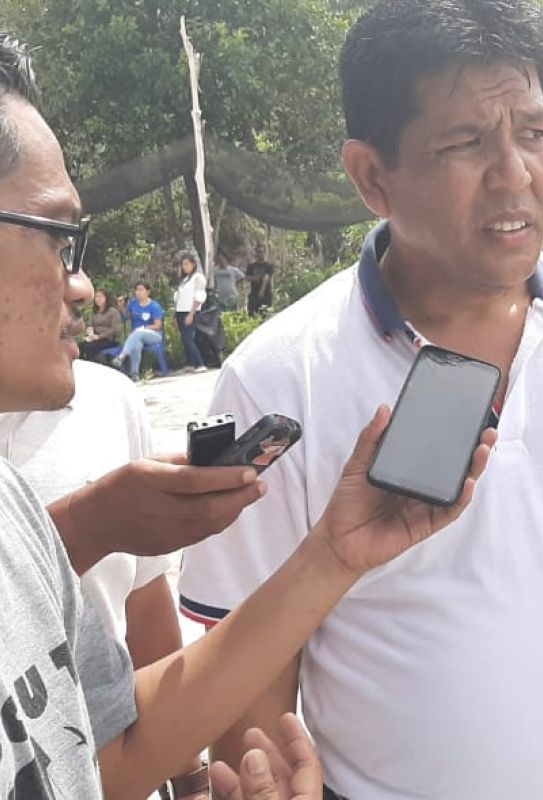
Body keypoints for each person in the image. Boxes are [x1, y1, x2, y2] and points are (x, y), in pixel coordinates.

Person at [179, 2, 543, 799]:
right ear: (372, 177)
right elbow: (249, 663)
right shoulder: (279, 378)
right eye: (466, 143)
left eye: (534, 132)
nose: (515, 172)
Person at [0, 29, 493, 798]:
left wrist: (334, 553)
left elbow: (109, 759)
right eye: (62, 239)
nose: (84, 288)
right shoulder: (277, 363)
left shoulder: (14, 509)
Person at [0, 357, 209, 799]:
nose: (80, 290)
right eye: (56, 280)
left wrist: (190, 779)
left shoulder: (107, 398)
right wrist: (84, 526)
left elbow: (146, 604)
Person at [113, 280, 165, 378]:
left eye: (141, 290)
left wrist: (143, 328)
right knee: (136, 344)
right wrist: (121, 307)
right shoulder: (133, 303)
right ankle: (135, 374)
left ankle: (121, 356)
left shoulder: (154, 306)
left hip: (154, 334)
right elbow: (125, 317)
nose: (138, 292)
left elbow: (157, 325)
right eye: (136, 290)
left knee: (138, 332)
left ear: (148, 292)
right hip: (137, 336)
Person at [175, 251, 208, 373]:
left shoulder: (198, 277)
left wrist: (191, 313)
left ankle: (200, 363)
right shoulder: (184, 280)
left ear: (193, 265)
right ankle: (190, 363)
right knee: (184, 339)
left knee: (189, 338)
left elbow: (199, 296)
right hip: (181, 311)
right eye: (183, 264)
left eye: (187, 264)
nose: (185, 267)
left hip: (191, 311)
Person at [79, 286, 122, 361]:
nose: (98, 299)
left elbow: (115, 329)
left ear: (106, 298)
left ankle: (93, 365)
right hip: (95, 338)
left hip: (108, 339)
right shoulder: (95, 312)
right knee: (80, 346)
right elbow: (91, 325)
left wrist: (99, 336)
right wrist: (90, 331)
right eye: (96, 297)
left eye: (100, 297)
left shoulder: (113, 312)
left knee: (89, 347)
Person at [245, 243, 274, 315]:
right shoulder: (251, 266)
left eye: (261, 252)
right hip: (254, 294)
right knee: (252, 315)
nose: (259, 254)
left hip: (266, 295)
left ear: (264, 253)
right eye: (258, 252)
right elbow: (247, 277)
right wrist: (256, 278)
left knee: (265, 315)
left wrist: (262, 291)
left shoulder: (269, 265)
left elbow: (266, 278)